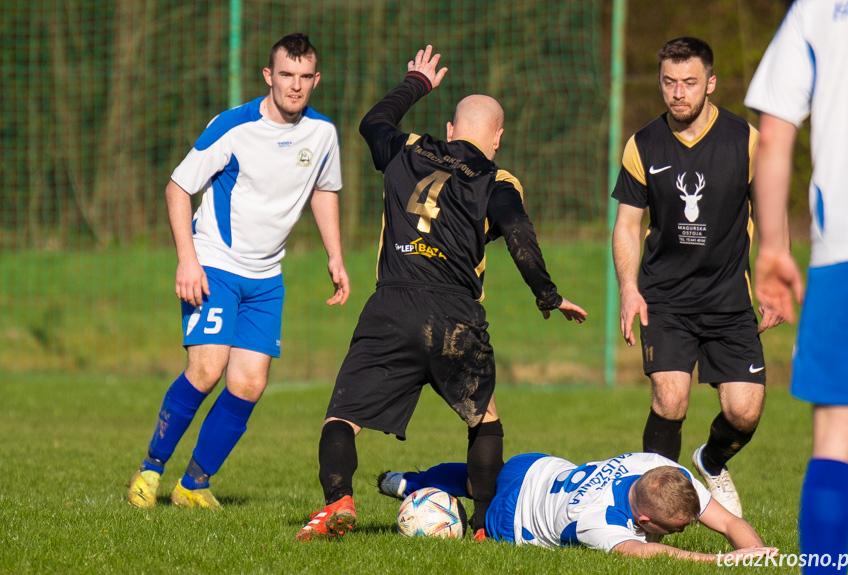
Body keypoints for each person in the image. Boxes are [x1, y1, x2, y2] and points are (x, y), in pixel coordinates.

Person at [294, 46, 587, 541]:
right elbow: (518, 233)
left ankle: (337, 501)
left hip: (391, 305)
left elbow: (372, 123)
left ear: (450, 130)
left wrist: (416, 82)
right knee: (484, 420)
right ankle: (483, 527)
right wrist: (548, 295)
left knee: (342, 416)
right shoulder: (498, 178)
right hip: (455, 315)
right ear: (497, 138)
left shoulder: (409, 148)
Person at [125, 33, 349, 509]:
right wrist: (188, 259)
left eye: (304, 77)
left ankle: (193, 486)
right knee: (206, 369)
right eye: (285, 75)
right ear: (269, 76)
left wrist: (335, 255)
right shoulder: (233, 127)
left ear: (316, 80)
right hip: (215, 265)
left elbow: (324, 190)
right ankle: (150, 470)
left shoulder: (323, 133)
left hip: (267, 278)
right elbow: (177, 188)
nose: (295, 86)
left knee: (248, 383)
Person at [611, 37, 785, 518]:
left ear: (709, 83)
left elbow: (771, 212)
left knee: (743, 412)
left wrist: (772, 277)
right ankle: (651, 513)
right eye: (669, 82)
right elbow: (627, 225)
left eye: (689, 82)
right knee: (670, 398)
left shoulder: (743, 140)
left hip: (729, 298)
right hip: (664, 298)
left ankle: (711, 459)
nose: (677, 93)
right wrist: (629, 289)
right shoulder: (642, 144)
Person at [745, 2, 848, 573]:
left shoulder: (818, 7)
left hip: (847, 249)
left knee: (838, 440)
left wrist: (772, 245)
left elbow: (773, 135)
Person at [377, 451, 777, 561]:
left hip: (536, 465)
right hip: (512, 519)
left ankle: (411, 481)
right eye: (676, 529)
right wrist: (716, 562)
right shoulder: (597, 523)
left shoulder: (659, 468)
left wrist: (755, 556)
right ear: (642, 519)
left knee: (475, 478)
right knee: (463, 522)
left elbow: (727, 523)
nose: (685, 531)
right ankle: (418, 494)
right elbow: (647, 552)